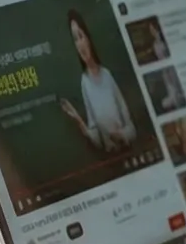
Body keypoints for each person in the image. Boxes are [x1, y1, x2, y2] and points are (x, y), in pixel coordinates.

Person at [56, 10, 137, 153]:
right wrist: (78, 119)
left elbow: (131, 128)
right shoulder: (85, 82)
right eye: (75, 39)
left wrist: (121, 136)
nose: (79, 45)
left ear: (89, 38)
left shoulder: (107, 75)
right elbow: (97, 139)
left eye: (81, 36)